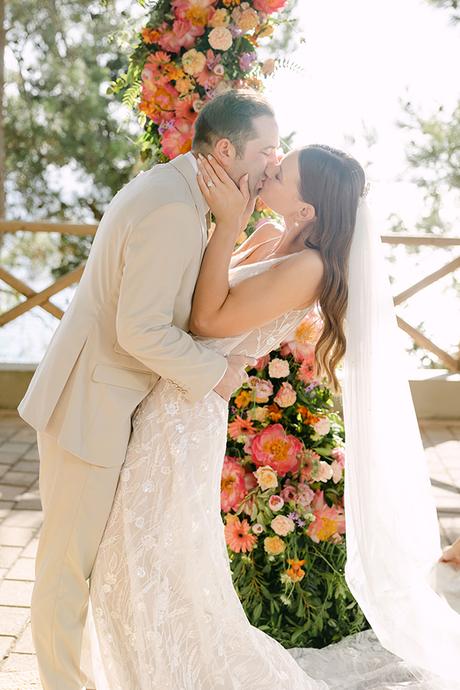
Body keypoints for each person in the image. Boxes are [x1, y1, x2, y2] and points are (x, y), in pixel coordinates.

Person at [86, 137, 460, 688]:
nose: (269, 172)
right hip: (173, 400)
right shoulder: (275, 238)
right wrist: (239, 231)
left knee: (158, 555)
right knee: (139, 551)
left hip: (187, 414)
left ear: (305, 209)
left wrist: (227, 224)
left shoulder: (308, 267)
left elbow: (206, 321)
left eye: (282, 172)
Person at [16, 89, 279, 690]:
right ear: (224, 149)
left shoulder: (175, 193)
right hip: (90, 403)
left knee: (72, 562)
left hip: (98, 397)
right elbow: (142, 330)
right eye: (266, 150)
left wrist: (236, 237)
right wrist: (216, 376)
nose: (272, 163)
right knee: (67, 568)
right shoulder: (174, 211)